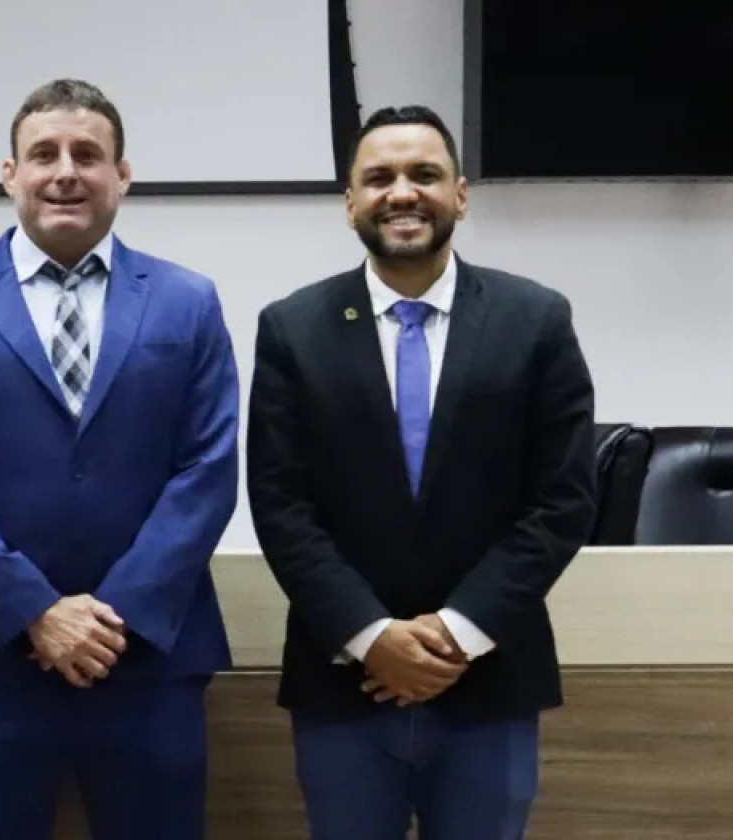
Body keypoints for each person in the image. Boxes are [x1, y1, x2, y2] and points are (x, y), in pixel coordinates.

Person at [0, 79, 240, 840]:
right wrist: (37, 611)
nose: (65, 172)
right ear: (9, 174)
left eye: (87, 154)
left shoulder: (188, 301)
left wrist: (115, 617)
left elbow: (207, 472)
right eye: (43, 154)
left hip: (149, 658)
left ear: (123, 175)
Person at [245, 105, 596, 840]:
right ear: (350, 203)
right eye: (379, 178)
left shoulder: (534, 319)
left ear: (459, 195)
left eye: (424, 175)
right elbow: (280, 503)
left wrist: (456, 632)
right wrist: (371, 635)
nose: (401, 192)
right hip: (343, 687)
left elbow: (563, 499)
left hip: (489, 684)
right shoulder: (292, 328)